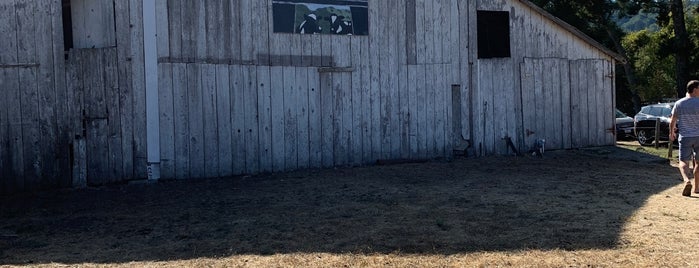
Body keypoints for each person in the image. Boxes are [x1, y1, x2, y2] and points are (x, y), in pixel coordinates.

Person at [669, 80, 699, 196]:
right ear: (695, 89)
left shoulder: (679, 103)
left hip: (685, 136)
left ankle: (687, 180)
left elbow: (673, 120)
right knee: (698, 163)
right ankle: (697, 188)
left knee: (683, 161)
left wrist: (671, 132)